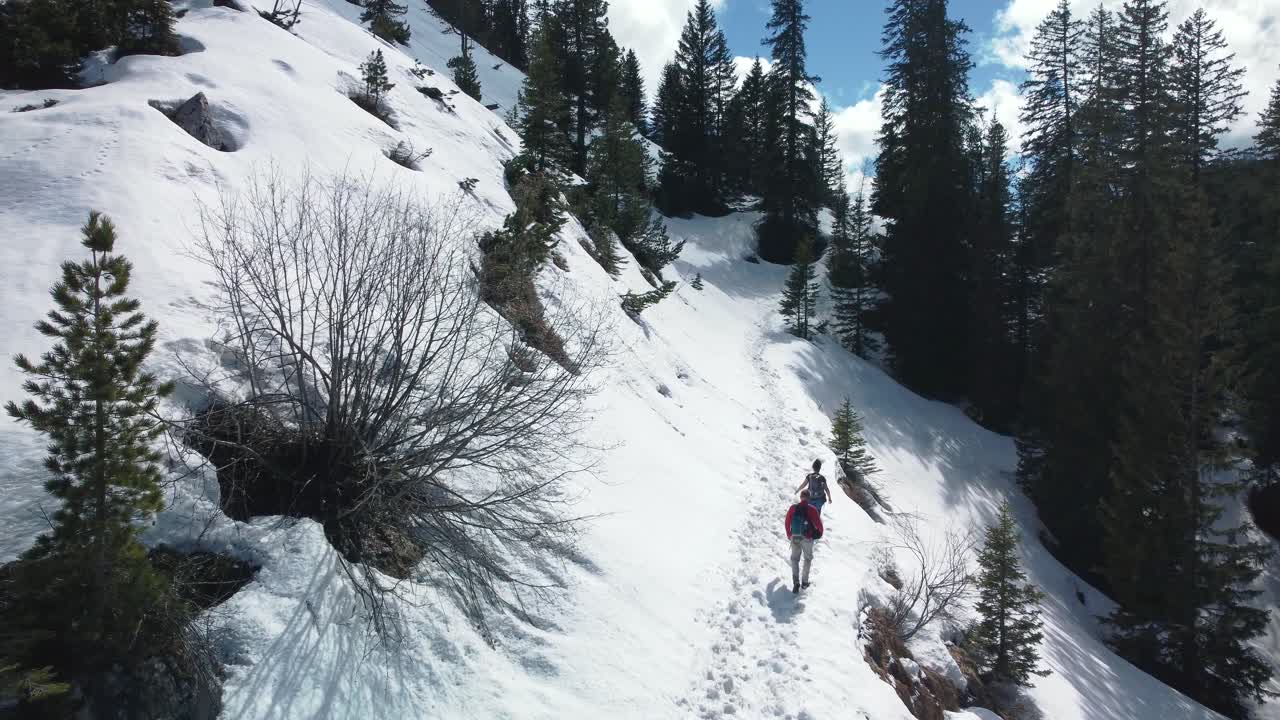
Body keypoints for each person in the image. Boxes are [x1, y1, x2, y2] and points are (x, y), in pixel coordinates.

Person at [784, 489, 824, 593]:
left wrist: (789, 534)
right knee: (807, 558)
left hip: (795, 536)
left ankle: (796, 581)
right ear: (809, 498)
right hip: (807, 537)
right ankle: (804, 582)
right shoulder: (812, 509)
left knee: (795, 559)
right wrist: (819, 533)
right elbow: (819, 524)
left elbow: (787, 521)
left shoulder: (793, 508)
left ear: (801, 497)